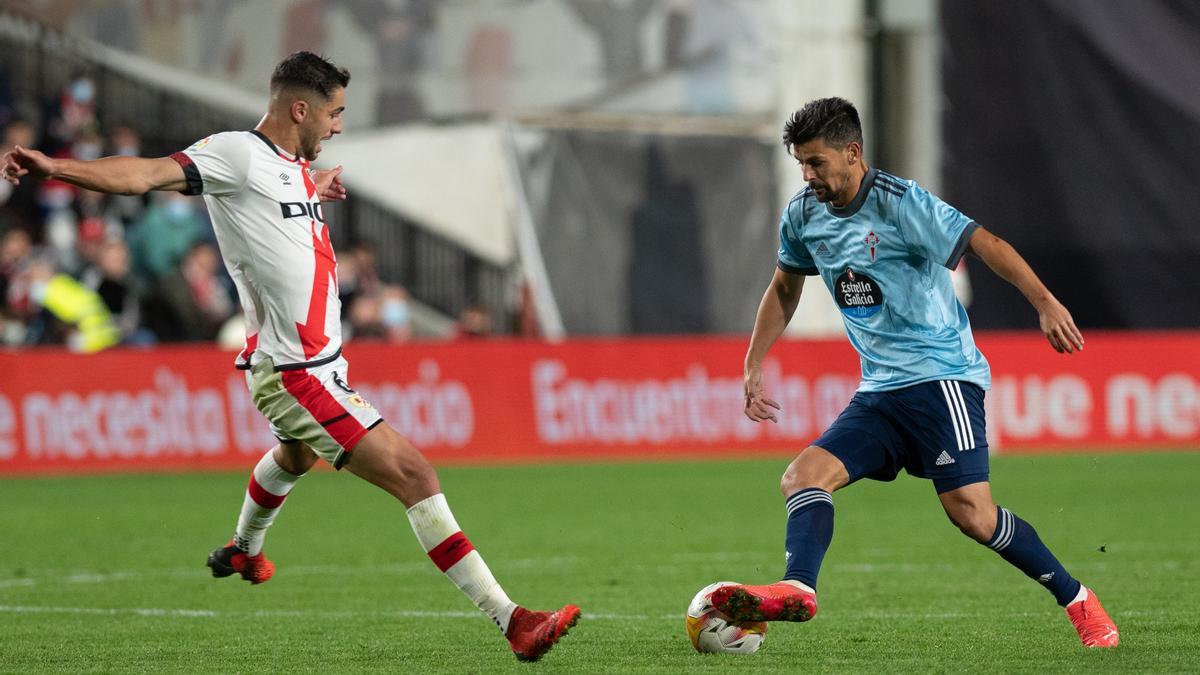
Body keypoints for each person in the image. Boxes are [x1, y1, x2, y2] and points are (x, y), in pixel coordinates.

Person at [1, 51, 579, 662]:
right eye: (334, 113)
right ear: (299, 108)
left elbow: (279, 218)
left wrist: (313, 189)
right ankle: (512, 620)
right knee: (415, 475)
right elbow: (143, 174)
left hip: (316, 364)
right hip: (296, 372)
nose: (338, 127)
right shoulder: (235, 154)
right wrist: (53, 167)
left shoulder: (290, 169)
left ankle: (244, 547)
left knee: (296, 455)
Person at [712, 98, 1118, 648]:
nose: (808, 177)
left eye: (817, 163)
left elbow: (986, 244)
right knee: (802, 477)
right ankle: (798, 589)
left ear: (852, 153)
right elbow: (786, 287)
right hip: (879, 391)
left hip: (942, 378)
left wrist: (1044, 302)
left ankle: (1078, 600)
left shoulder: (902, 205)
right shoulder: (803, 215)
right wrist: (753, 361)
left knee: (973, 516)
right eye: (801, 165)